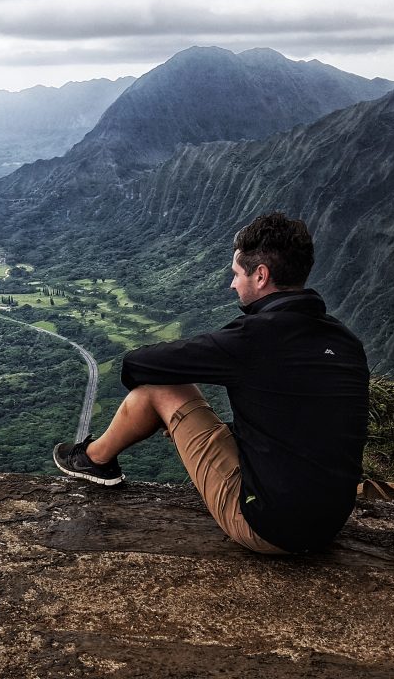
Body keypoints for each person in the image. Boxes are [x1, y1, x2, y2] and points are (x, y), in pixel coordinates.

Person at [53, 212, 369, 553]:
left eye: (236, 274)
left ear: (261, 276)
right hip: (330, 522)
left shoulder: (254, 337)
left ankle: (94, 459)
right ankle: (96, 459)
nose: (232, 284)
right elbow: (304, 422)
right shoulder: (345, 340)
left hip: (271, 527)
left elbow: (139, 364)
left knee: (161, 388)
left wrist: (168, 412)